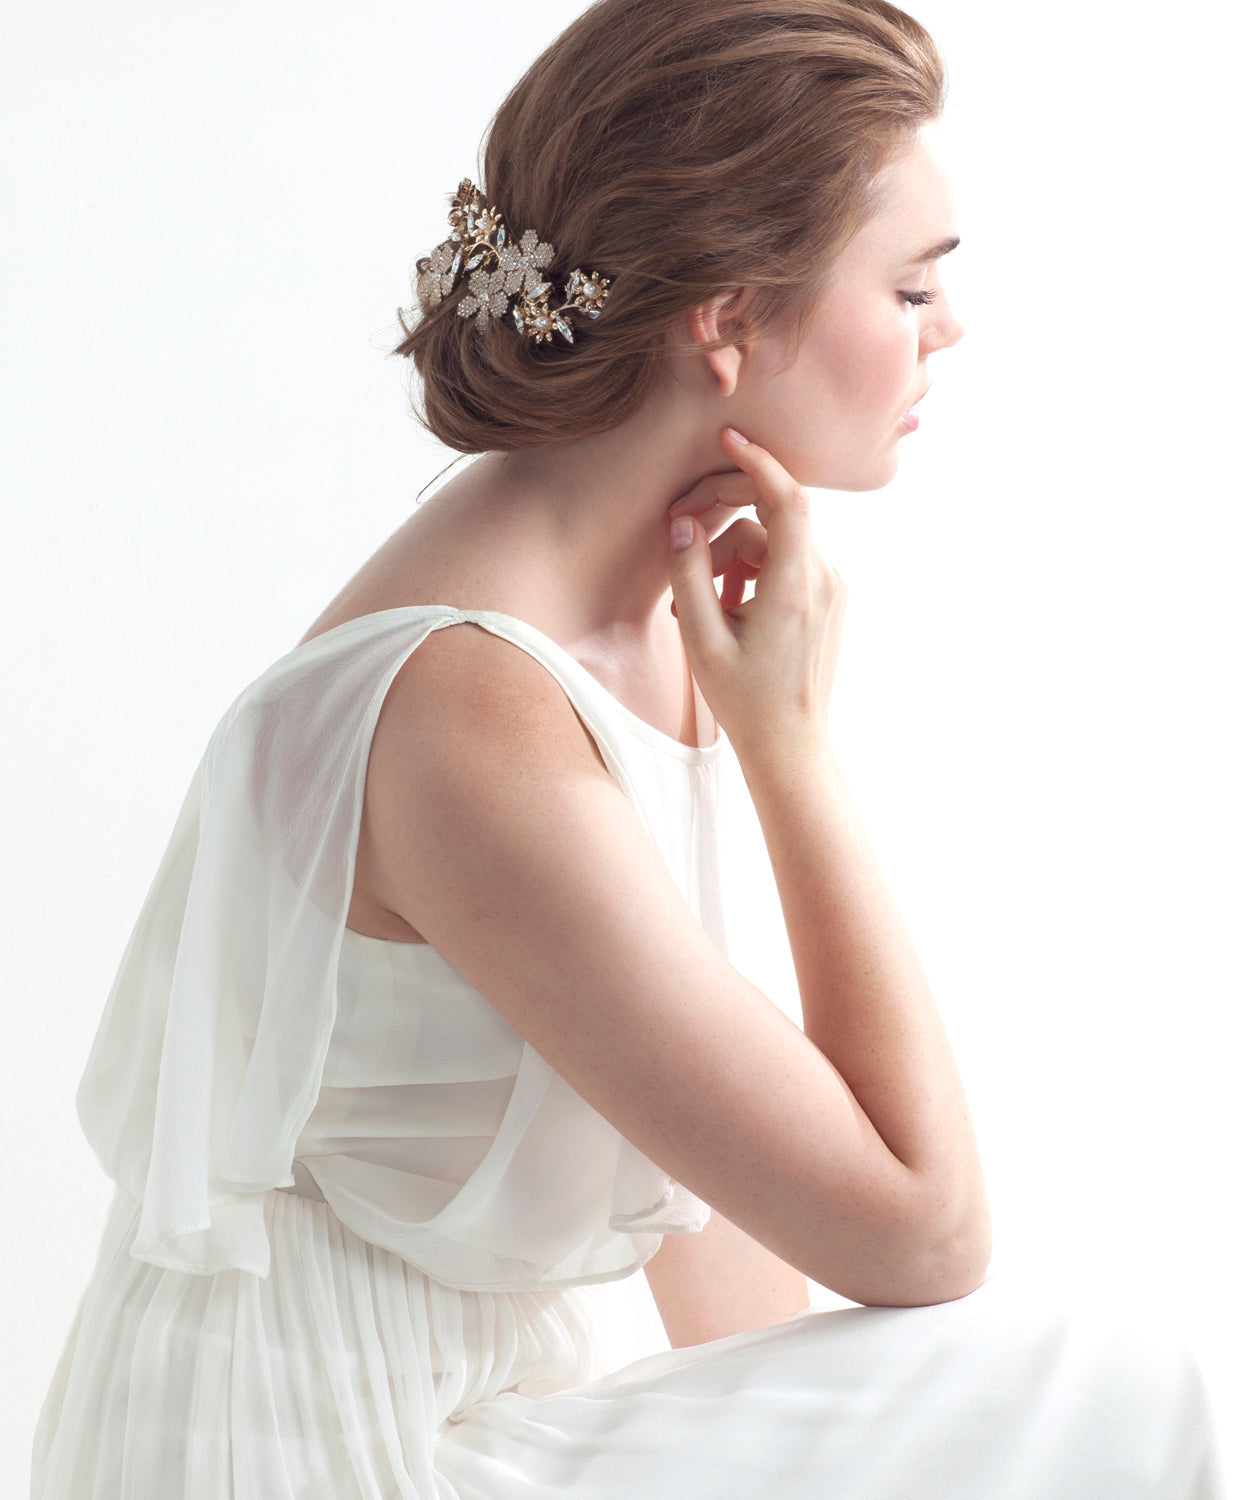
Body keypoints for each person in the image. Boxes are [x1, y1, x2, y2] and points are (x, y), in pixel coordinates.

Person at [31, 1, 1225, 1495]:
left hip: (481, 1410)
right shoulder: (468, 710)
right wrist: (790, 755)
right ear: (724, 321)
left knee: (1038, 1399)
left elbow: (716, 1205)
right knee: (1106, 1375)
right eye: (912, 289)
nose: (950, 329)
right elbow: (921, 1234)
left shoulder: (628, 609)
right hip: (324, 1452)